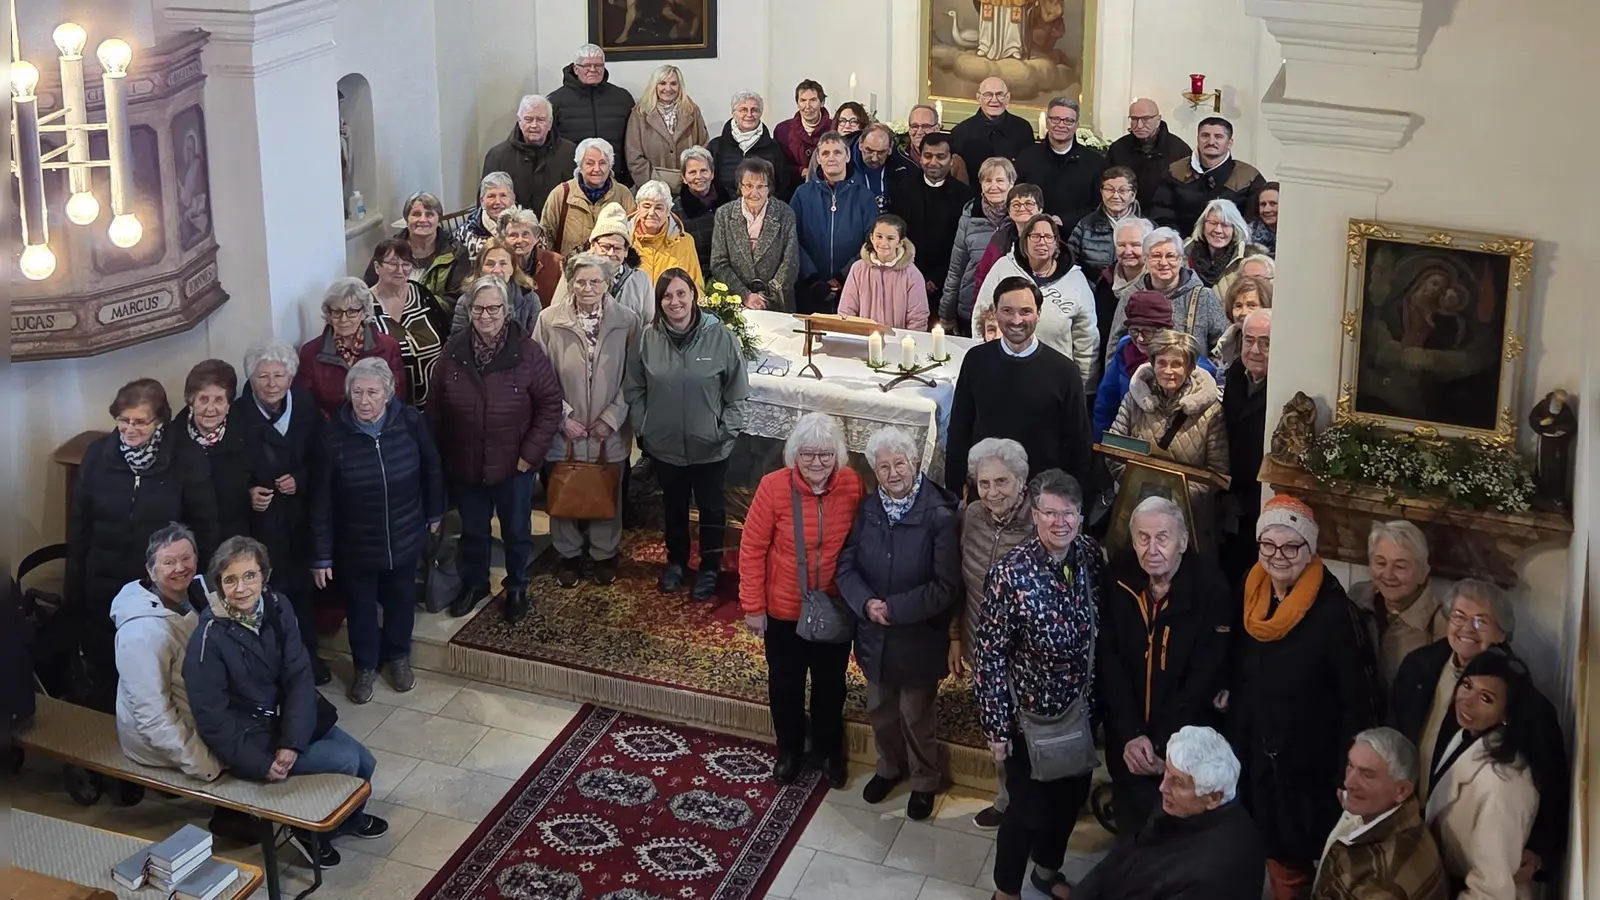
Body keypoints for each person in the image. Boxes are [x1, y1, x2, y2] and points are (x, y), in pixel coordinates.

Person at [186, 536, 389, 868]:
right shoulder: (209, 639)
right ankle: (309, 833)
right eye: (230, 579)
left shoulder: (278, 606)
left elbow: (298, 677)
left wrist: (292, 742)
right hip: (251, 737)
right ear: (219, 586)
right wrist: (261, 762)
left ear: (264, 576)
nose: (241, 588)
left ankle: (347, 820)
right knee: (345, 762)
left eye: (249, 575)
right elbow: (213, 720)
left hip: (285, 720)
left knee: (366, 763)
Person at [1230, 497, 1380, 900]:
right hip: (1258, 756)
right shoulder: (1253, 593)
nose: (1278, 556)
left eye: (1290, 546)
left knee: (1295, 865)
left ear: (1310, 549)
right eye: (1268, 545)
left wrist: (1346, 777)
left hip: (1307, 768)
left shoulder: (1334, 613)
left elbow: (1357, 701)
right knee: (1266, 855)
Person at [974, 469, 1100, 900]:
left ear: (1081, 518)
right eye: (1049, 513)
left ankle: (1047, 872)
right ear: (1034, 514)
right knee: (1026, 812)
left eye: (1068, 514)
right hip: (1029, 719)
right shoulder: (1010, 574)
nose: (1059, 522)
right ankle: (1006, 892)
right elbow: (989, 655)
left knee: (1068, 803)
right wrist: (996, 728)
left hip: (1079, 713)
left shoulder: (1089, 557)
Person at [1390, 581, 1569, 885]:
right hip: (1410, 824)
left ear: (1502, 633)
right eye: (1458, 616)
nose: (1466, 629)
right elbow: (1394, 735)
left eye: (1481, 621)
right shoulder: (1420, 665)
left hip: (1472, 859)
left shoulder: (1531, 706)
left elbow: (1552, 786)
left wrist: (1539, 853)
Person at [68, 380, 220, 712]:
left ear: (160, 422)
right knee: (105, 666)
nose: (130, 429)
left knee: (155, 673)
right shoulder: (97, 456)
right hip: (103, 582)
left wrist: (195, 587)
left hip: (159, 590)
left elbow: (205, 526)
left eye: (140, 421)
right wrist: (74, 586)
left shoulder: (185, 458)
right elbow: (79, 525)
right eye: (123, 420)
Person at [836, 426, 961, 821]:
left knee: (914, 713)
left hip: (919, 635)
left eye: (900, 463)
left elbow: (946, 587)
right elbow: (846, 564)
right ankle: (889, 768)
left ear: (915, 463)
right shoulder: (870, 510)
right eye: (884, 466)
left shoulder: (939, 514)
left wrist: (893, 608)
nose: (892, 473)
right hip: (875, 632)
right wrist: (866, 603)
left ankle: (925, 780)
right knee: (879, 708)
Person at [738, 412, 864, 788]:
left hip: (834, 607)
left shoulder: (853, 485)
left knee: (831, 685)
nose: (817, 463)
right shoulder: (773, 487)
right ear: (795, 454)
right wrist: (753, 608)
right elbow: (752, 548)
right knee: (786, 684)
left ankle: (828, 750)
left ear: (838, 456)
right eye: (808, 454)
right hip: (783, 610)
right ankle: (790, 749)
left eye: (825, 455)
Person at [310, 358, 444, 703]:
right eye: (357, 392)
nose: (364, 400)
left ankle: (399, 658)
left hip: (404, 533)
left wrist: (435, 513)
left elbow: (431, 470)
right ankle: (365, 667)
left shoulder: (410, 422)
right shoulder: (333, 436)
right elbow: (321, 500)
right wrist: (322, 554)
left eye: (372, 392)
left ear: (388, 393)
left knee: (400, 602)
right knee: (361, 609)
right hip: (355, 544)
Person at [1098, 497, 1233, 835]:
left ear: (1183, 542)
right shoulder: (1118, 578)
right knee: (1130, 830)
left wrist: (1162, 747)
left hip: (1182, 742)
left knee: (1174, 836)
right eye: (1143, 537)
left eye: (1163, 537)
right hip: (1127, 741)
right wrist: (1131, 736)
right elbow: (1109, 659)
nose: (1152, 548)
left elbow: (1204, 676)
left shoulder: (1210, 587)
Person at [431, 276, 561, 624]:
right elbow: (436, 408)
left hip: (513, 465)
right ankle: (474, 584)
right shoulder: (454, 350)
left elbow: (550, 405)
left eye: (493, 308)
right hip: (467, 464)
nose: (485, 315)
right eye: (478, 308)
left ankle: (517, 586)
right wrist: (444, 456)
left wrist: (529, 455)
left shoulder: (528, 352)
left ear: (507, 311)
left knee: (517, 532)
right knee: (473, 532)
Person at [624, 269, 750, 600]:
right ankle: (676, 562)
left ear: (693, 295)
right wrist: (644, 426)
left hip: (710, 445)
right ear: (659, 301)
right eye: (667, 296)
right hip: (665, 446)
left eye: (681, 293)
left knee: (711, 508)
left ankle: (710, 568)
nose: (675, 301)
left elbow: (737, 390)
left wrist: (726, 431)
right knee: (674, 507)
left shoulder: (719, 336)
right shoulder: (647, 339)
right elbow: (634, 387)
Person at [534, 253, 643, 588]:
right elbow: (539, 376)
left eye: (596, 281)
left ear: (607, 283)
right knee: (564, 486)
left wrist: (612, 417)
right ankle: (567, 553)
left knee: (606, 488)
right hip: (564, 426)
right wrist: (563, 417)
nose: (588, 287)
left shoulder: (628, 320)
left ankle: (604, 553)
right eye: (580, 281)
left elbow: (634, 377)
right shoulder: (549, 320)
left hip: (608, 426)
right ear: (570, 282)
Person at [1073, 726, 1267, 900]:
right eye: (1167, 772)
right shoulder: (1183, 810)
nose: (1163, 787)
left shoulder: (1215, 875)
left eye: (1178, 782)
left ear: (1213, 798)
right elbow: (1123, 856)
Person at [951, 438, 1033, 829]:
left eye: (1002, 482)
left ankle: (1033, 806)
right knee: (997, 729)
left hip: (1027, 652)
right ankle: (1007, 801)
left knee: (1027, 733)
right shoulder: (972, 516)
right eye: (984, 484)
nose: (992, 492)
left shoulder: (1039, 522)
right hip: (981, 644)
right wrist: (955, 636)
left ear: (1021, 480)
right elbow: (960, 583)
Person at [947, 277, 1094, 494]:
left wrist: (1075, 501)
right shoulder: (976, 360)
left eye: (1025, 311)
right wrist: (954, 489)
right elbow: (960, 428)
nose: (1016, 320)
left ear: (1038, 314)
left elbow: (1078, 443)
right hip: (987, 491)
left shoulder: (1064, 371)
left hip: (1041, 495)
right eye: (1007, 310)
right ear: (995, 312)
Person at [236, 341, 326, 684]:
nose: (271, 383)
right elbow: (228, 469)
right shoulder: (239, 413)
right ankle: (278, 669)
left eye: (279, 375)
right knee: (270, 596)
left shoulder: (303, 405)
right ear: (252, 379)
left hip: (299, 519)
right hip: (262, 525)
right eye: (263, 376)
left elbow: (319, 459)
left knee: (303, 595)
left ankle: (307, 659)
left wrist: (299, 480)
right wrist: (248, 493)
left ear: (290, 377)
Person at [1424, 647, 1541, 900]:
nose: (1466, 700)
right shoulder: (1468, 734)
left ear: (1507, 713)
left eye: (1486, 698)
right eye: (1467, 685)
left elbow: (1492, 890)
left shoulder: (1502, 784)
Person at [111, 524, 222, 781]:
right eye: (169, 562)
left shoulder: (197, 592)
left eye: (186, 558)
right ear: (151, 570)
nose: (180, 568)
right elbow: (152, 717)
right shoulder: (142, 633)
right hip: (163, 743)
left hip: (204, 716)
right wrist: (204, 764)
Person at [1106, 330, 1229, 552]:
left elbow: (1218, 471)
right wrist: (1141, 487)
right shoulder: (1134, 400)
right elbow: (1114, 449)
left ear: (1190, 368)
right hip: (1137, 509)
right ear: (1152, 363)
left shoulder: (1211, 411)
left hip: (1189, 521)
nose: (1168, 371)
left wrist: (1173, 495)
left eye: (1177, 364)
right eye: (1161, 363)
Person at [1313, 727, 1448, 900]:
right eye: (1350, 766)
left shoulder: (1382, 884)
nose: (1348, 782)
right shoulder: (1390, 816)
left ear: (1401, 791)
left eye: (1367, 775)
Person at [972, 213, 1097, 378]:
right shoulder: (1003, 268)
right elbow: (980, 318)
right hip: (1002, 370)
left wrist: (1085, 385)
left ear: (1056, 243)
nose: (1042, 242)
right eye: (1035, 236)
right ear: (1025, 241)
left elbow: (1086, 337)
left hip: (1054, 376)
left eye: (1048, 237)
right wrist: (983, 362)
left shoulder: (1076, 280)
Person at [1103, 227, 1228, 372]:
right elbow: (1115, 346)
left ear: (1181, 260)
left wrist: (1206, 376)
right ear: (1146, 259)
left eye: (1170, 256)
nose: (1163, 262)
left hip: (1192, 385)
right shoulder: (1130, 295)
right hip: (1137, 384)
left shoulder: (1203, 297)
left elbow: (1223, 347)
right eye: (1156, 256)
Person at [1349, 522, 1450, 687]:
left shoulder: (1441, 623)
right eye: (1380, 563)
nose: (1388, 575)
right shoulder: (1357, 597)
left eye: (1400, 566)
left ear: (1423, 573)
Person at [1094, 291, 1206, 440]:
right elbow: (1105, 407)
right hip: (1130, 443)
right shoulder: (1124, 354)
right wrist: (1101, 446)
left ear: (1165, 329)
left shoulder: (1187, 357)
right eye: (1134, 330)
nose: (1140, 338)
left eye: (1147, 331)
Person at [887, 132, 973, 321]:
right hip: (906, 275)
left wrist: (937, 277)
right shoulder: (903, 190)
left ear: (952, 160)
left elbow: (962, 244)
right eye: (928, 156)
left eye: (940, 156)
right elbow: (897, 236)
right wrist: (917, 274)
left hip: (946, 284)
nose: (933, 162)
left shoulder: (964, 196)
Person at [791, 131, 877, 314]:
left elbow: (871, 242)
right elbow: (792, 239)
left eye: (837, 152)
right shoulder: (802, 194)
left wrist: (842, 277)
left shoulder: (864, 196)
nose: (832, 158)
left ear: (847, 156)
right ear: (819, 159)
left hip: (852, 286)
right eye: (825, 153)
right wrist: (812, 278)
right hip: (810, 288)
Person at [296, 278, 406, 417]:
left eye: (352, 311)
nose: (343, 319)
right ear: (329, 315)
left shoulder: (388, 347)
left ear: (364, 313)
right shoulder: (310, 352)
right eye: (337, 312)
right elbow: (306, 404)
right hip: (330, 432)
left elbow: (396, 397)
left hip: (376, 428)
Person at [1219, 309, 1272, 589]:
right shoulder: (1235, 374)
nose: (1255, 350)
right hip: (1230, 492)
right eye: (1249, 340)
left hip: (1261, 497)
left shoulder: (1284, 383)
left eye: (1266, 342)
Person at [173, 360, 252, 549]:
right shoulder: (171, 441)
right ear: (191, 401)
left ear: (228, 405)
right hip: (188, 550)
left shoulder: (246, 434)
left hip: (236, 546)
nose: (210, 409)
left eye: (218, 400)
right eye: (203, 399)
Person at [710, 157, 800, 312]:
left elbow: (790, 262)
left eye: (760, 186)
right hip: (735, 302)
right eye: (749, 186)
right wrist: (745, 295)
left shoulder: (785, 213)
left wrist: (767, 296)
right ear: (740, 186)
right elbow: (718, 263)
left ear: (769, 188)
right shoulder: (724, 214)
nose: (754, 193)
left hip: (776, 304)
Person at [1152, 116, 1267, 236]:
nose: (1211, 142)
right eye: (1205, 135)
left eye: (1218, 137)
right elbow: (1161, 214)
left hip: (1231, 246)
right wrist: (1178, 242)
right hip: (1182, 246)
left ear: (1229, 143)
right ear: (1198, 139)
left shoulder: (1248, 176)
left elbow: (1254, 221)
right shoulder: (1175, 171)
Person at [938, 157, 1015, 333]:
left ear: (1012, 183)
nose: (993, 186)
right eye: (987, 180)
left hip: (1013, 310)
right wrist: (946, 313)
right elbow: (956, 269)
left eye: (1000, 180)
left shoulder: (1021, 218)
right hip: (972, 307)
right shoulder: (969, 217)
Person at [367, 239, 446, 406]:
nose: (400, 270)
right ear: (376, 267)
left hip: (433, 401)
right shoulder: (364, 305)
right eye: (393, 264)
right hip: (386, 406)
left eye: (406, 264)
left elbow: (446, 335)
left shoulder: (422, 295)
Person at [547, 44, 636, 184]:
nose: (593, 70)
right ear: (576, 69)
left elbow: (633, 142)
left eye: (598, 65)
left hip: (615, 179)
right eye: (587, 66)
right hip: (572, 180)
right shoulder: (555, 101)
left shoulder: (622, 98)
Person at [364, 192, 468, 310]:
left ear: (438, 219)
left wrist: (416, 305)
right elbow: (369, 285)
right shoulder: (388, 250)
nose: (422, 220)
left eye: (429, 214)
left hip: (437, 320)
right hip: (389, 315)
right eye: (416, 214)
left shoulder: (456, 252)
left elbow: (456, 299)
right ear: (406, 218)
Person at [1016, 97, 1104, 233]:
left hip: (1078, 235)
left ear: (1077, 125)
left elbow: (1098, 206)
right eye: (1055, 119)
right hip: (1033, 233)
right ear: (1047, 122)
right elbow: (1017, 197)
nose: (1061, 125)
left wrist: (1065, 220)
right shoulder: (1027, 157)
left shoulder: (1094, 161)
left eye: (1068, 121)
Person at [541, 138, 637, 255]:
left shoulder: (623, 195)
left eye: (602, 163)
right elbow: (546, 237)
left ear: (610, 166)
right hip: (570, 269)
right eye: (589, 163)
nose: (596, 169)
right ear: (580, 165)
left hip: (611, 269)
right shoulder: (561, 194)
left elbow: (633, 238)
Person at [482, 94, 577, 211]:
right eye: (528, 119)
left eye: (541, 120)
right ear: (519, 121)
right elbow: (486, 205)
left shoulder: (569, 153)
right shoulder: (497, 156)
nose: (534, 125)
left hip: (559, 226)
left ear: (550, 123)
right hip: (511, 227)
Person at [624, 64, 709, 193]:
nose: (668, 88)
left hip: (689, 188)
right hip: (652, 189)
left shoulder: (692, 111)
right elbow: (633, 155)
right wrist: (654, 185)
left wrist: (691, 179)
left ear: (680, 87)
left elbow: (703, 147)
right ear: (655, 86)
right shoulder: (640, 113)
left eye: (673, 84)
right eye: (662, 83)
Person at [837, 214, 928, 330]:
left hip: (899, 343)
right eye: (879, 236)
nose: (883, 243)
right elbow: (846, 311)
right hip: (863, 341)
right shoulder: (858, 269)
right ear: (871, 237)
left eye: (890, 238)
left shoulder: (912, 275)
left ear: (900, 242)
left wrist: (907, 344)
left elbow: (918, 319)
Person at [1090, 217, 1154, 377]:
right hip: (1110, 367)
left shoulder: (1154, 285)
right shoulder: (1105, 281)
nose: (1128, 251)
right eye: (1121, 245)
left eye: (1135, 245)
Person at [1104, 99, 1191, 213]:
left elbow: (1186, 193)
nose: (1139, 125)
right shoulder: (1118, 148)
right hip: (1124, 215)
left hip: (1164, 219)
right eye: (1134, 119)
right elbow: (1106, 184)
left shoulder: (1179, 150)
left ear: (1158, 120)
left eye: (1146, 119)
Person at [707, 91, 794, 201]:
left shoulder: (773, 148)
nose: (749, 115)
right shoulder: (717, 147)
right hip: (723, 210)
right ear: (734, 113)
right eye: (743, 110)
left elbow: (783, 186)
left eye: (754, 110)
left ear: (761, 113)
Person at [450, 237, 542, 336]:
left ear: (512, 269)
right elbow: (457, 343)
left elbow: (535, 342)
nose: (497, 270)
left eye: (503, 264)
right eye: (490, 264)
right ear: (480, 270)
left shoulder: (530, 299)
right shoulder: (465, 301)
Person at [1067, 166, 1141, 286]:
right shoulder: (1085, 225)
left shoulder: (1147, 228)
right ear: (1102, 192)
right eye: (1109, 190)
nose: (1115, 196)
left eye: (1122, 191)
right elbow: (1070, 263)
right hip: (1092, 294)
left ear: (1133, 195)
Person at [949, 77, 1034, 178]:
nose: (994, 100)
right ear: (978, 98)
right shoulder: (960, 132)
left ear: (1008, 98)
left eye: (1000, 95)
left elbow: (1029, 170)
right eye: (988, 95)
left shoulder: (1023, 129)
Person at [972, 182, 1044, 296]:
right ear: (1009, 211)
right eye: (1016, 204)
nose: (1022, 208)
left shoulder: (1049, 239)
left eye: (1029, 204)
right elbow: (982, 275)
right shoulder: (999, 238)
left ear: (1040, 209)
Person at [629, 179, 703, 286]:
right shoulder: (623, 240)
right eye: (646, 206)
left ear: (668, 211)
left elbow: (695, 285)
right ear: (638, 207)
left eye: (659, 207)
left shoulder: (684, 242)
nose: (651, 213)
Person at [674, 145, 728, 273]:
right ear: (684, 178)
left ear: (712, 173)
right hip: (694, 273)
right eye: (692, 172)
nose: (699, 177)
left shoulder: (729, 202)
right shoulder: (675, 211)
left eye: (704, 170)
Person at [1185, 198, 1257, 293]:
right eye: (1213, 223)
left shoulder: (1248, 261)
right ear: (1203, 225)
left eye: (1225, 225)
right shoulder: (1183, 254)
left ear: (1235, 229)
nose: (1218, 230)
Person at [498, 207, 562, 306]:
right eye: (513, 235)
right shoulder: (496, 265)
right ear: (503, 239)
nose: (519, 240)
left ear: (536, 238)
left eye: (525, 234)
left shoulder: (556, 263)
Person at [773, 79, 832, 187]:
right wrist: (800, 171)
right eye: (803, 100)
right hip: (791, 190)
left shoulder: (833, 128)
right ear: (797, 103)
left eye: (813, 100)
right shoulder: (783, 130)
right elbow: (779, 164)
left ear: (822, 103)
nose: (807, 106)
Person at [453, 171, 518, 262]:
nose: (498, 202)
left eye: (503, 196)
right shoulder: (464, 233)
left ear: (512, 199)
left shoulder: (526, 226)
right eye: (491, 196)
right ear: (482, 201)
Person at [1212, 273, 1272, 369]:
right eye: (1238, 306)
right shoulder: (1227, 342)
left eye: (1251, 305)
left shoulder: (1274, 339)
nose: (1244, 312)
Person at [849, 123, 913, 212]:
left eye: (881, 152)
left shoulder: (904, 168)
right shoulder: (843, 164)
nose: (874, 158)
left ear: (890, 148)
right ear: (860, 144)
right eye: (869, 150)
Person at [905, 103, 969, 183]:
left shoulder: (954, 161)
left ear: (937, 129)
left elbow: (962, 193)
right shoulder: (899, 157)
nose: (919, 132)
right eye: (915, 126)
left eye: (926, 126)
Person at [1251, 182, 1280, 256]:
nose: (1266, 210)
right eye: (1263, 204)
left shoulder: (1295, 235)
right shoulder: (1248, 235)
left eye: (1273, 204)